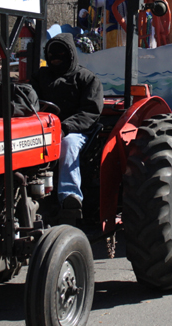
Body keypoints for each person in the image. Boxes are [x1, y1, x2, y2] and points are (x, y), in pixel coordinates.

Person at [29, 33, 103, 211]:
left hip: (76, 132)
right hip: (43, 128)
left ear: (70, 54)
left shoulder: (87, 78)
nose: (55, 58)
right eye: (51, 54)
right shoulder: (40, 77)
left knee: (67, 144)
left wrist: (64, 128)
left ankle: (70, 196)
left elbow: (90, 112)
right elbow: (29, 101)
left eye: (60, 53)